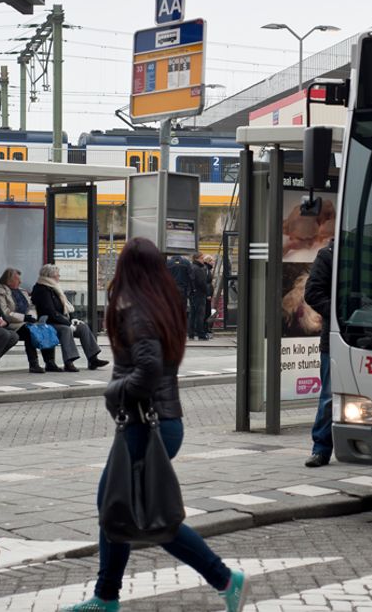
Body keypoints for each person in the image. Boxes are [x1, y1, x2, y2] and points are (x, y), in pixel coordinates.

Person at [62, 237, 247, 612]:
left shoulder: (138, 310)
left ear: (127, 269)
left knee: (136, 512)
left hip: (148, 424)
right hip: (162, 421)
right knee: (122, 508)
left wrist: (115, 391)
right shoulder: (161, 305)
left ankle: (222, 578)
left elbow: (147, 369)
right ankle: (107, 596)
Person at [31, 264, 109, 371]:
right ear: (50, 276)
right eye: (57, 275)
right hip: (48, 322)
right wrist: (68, 323)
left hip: (60, 321)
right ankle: (69, 362)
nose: (59, 277)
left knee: (83, 327)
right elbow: (50, 312)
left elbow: (65, 307)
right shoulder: (41, 289)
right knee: (66, 329)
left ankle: (93, 359)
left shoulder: (54, 287)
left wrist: (72, 319)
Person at [302, 239, 334, 468]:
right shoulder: (329, 255)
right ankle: (321, 449)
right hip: (336, 336)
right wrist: (339, 312)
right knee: (330, 397)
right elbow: (313, 293)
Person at [0, 267, 58, 373]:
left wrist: (31, 317)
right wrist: (24, 318)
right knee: (30, 332)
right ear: (9, 280)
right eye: (17, 279)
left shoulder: (22, 291)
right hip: (12, 323)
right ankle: (34, 363)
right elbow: (5, 312)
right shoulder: (0, 291)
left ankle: (49, 362)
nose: (20, 281)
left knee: (45, 329)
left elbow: (31, 306)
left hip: (26, 322)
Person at [187, 253, 210, 340]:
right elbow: (202, 283)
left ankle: (191, 333)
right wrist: (207, 292)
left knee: (192, 314)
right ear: (197, 259)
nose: (203, 260)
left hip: (192, 293)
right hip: (199, 294)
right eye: (202, 258)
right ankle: (201, 334)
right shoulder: (199, 269)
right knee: (200, 315)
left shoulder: (191, 267)